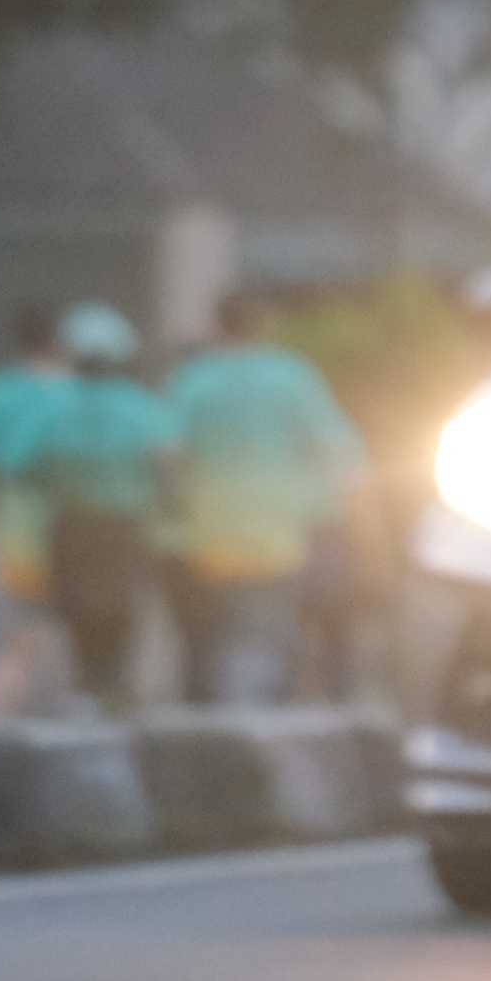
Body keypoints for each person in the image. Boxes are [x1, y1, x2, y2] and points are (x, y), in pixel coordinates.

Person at [163, 290, 368, 704]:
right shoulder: (292, 377)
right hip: (280, 537)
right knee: (271, 633)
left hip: (208, 535)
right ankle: (267, 716)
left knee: (212, 638)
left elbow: (166, 453)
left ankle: (212, 715)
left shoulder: (192, 380)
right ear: (264, 326)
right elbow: (342, 452)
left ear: (216, 327)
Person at [27, 304, 183, 709]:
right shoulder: (143, 407)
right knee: (122, 606)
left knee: (78, 609)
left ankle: (88, 686)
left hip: (72, 523)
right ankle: (114, 686)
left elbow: (34, 468)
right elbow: (167, 467)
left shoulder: (53, 407)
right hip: (126, 525)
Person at [0, 301, 75, 711]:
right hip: (70, 521)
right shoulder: (73, 391)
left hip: (12, 518)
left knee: (21, 620)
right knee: (69, 626)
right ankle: (66, 707)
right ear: (58, 340)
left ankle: (1, 703)